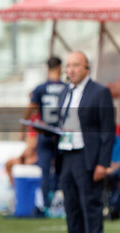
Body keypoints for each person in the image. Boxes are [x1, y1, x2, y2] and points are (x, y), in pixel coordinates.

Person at [57, 51, 115, 233]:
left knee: (90, 208)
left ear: (87, 69)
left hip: (87, 158)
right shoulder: (64, 92)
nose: (70, 70)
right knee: (72, 209)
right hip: (66, 156)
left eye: (75, 65)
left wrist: (102, 163)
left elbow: (107, 130)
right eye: (68, 65)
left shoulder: (100, 92)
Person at [22, 56, 66, 210]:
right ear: (60, 68)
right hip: (62, 134)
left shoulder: (40, 88)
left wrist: (23, 128)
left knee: (45, 170)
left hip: (45, 132)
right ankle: (58, 202)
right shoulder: (66, 87)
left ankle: (47, 205)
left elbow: (31, 108)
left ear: (48, 69)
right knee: (61, 169)